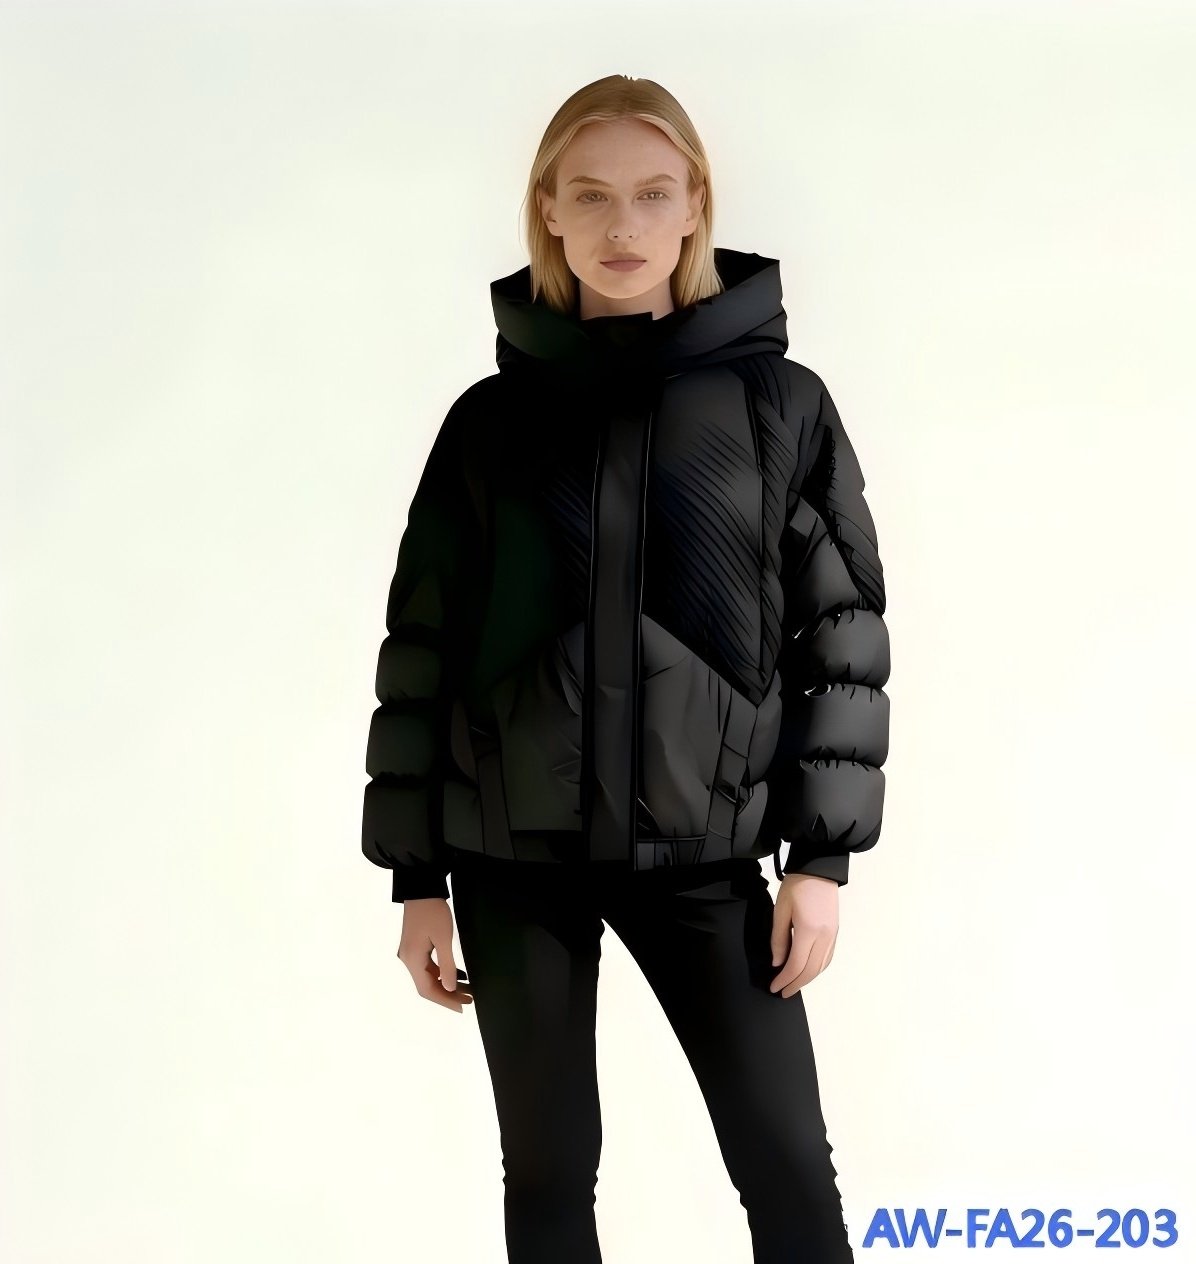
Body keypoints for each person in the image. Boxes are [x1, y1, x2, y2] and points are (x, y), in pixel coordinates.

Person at [362, 73, 890, 1264]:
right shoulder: (487, 425)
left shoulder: (779, 408)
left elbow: (842, 636)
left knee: (784, 1164)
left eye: (653, 193)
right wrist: (415, 878)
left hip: (703, 856)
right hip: (510, 861)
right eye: (590, 195)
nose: (622, 225)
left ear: (695, 205)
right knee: (547, 1174)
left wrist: (818, 860)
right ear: (546, 210)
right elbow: (421, 650)